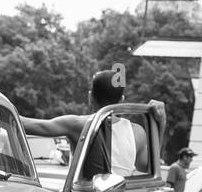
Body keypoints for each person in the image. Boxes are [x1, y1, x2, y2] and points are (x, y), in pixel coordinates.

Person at [19, 70, 158, 178]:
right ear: (122, 100)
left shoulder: (78, 125)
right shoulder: (137, 133)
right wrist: (160, 124)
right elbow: (147, 167)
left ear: (90, 97)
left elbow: (31, 125)